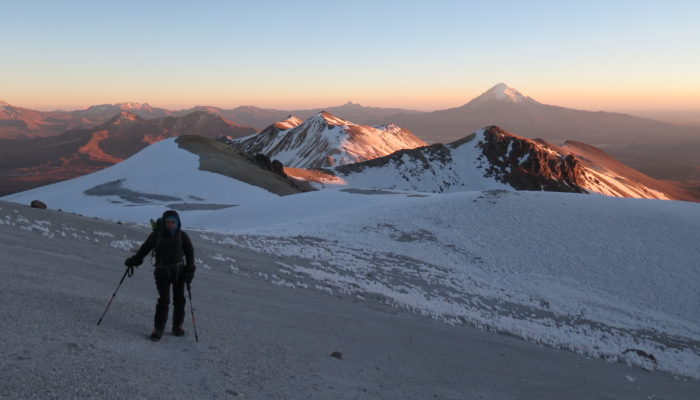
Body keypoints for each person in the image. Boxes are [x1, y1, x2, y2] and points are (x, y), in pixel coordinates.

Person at [124, 210, 196, 341]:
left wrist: (190, 269)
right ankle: (158, 329)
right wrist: (135, 260)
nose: (171, 225)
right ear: (164, 222)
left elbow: (190, 252)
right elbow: (144, 249)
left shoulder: (182, 236)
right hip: (162, 273)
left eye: (173, 222)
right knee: (164, 300)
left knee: (179, 300)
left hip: (179, 273)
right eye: (168, 222)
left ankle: (177, 326)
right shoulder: (156, 235)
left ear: (178, 223)